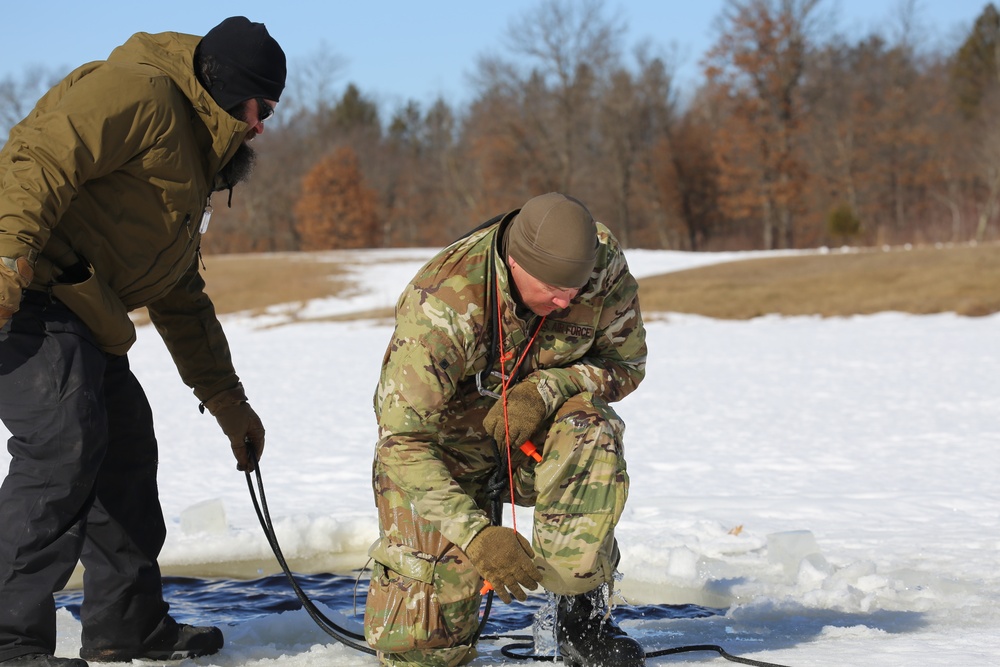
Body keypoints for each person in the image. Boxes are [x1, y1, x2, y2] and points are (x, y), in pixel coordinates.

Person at [0, 16, 285, 667]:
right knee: (63, 438)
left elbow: (180, 294)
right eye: (260, 107)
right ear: (225, 88)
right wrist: (5, 263)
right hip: (29, 289)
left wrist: (228, 402)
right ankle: (8, 639)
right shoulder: (140, 94)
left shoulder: (191, 165)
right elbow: (37, 156)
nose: (263, 124)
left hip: (83, 307)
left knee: (126, 445)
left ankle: (126, 625)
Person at [364, 192, 648, 667]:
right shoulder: (441, 305)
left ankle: (580, 618)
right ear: (515, 263)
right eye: (554, 289)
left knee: (590, 428)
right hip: (443, 456)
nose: (567, 301)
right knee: (424, 652)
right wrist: (476, 536)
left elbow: (627, 363)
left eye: (575, 289)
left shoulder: (599, 261)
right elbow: (401, 442)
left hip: (531, 446)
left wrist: (548, 389)